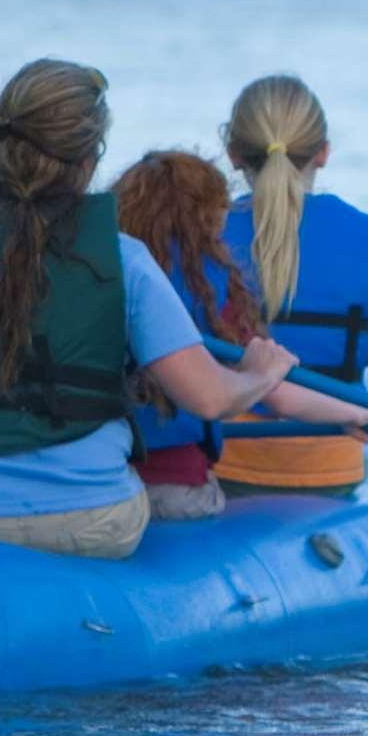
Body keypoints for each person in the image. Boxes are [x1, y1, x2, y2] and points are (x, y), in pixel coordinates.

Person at [0, 58, 360, 558]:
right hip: (93, 519)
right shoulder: (125, 260)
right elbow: (209, 399)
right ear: (89, 162)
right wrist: (257, 374)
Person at [211, 74, 368, 497]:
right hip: (329, 468)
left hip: (222, 464)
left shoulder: (202, 237)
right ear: (323, 153)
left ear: (234, 154)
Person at [109, 149, 265, 519]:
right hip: (177, 486)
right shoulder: (213, 285)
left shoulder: (103, 270)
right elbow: (272, 398)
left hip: (103, 482)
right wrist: (268, 372)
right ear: (208, 215)